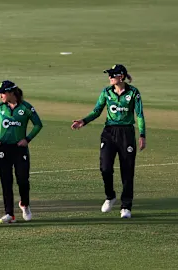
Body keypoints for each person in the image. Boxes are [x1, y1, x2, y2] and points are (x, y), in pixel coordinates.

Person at [71, 64, 146, 219]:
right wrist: (83, 121)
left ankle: (126, 206)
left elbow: (139, 114)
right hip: (109, 132)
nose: (110, 77)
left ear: (122, 77)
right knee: (105, 167)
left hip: (126, 133)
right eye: (109, 75)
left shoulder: (133, 92)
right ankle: (110, 196)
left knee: (127, 171)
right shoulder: (106, 92)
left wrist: (142, 135)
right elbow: (97, 110)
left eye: (113, 75)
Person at [0, 80, 43, 223]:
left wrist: (27, 139)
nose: (0, 96)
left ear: (11, 92)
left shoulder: (26, 107)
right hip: (4, 148)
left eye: (3, 93)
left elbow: (38, 124)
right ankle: (9, 214)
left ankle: (24, 204)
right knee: (6, 181)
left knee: (23, 179)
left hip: (20, 148)